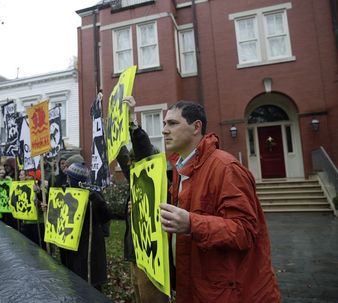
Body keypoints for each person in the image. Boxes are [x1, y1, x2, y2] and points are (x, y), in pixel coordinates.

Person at [159, 101, 280, 302]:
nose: (164, 131)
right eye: (164, 124)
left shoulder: (226, 168)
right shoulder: (180, 170)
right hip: (195, 287)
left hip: (229, 292)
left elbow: (245, 231)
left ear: (196, 127)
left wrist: (191, 223)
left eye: (172, 124)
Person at [116, 96, 168, 303]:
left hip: (150, 252)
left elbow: (143, 151)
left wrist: (131, 122)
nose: (131, 166)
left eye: (134, 161)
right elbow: (120, 155)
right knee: (139, 294)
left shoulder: (152, 176)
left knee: (150, 297)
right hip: (135, 251)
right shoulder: (135, 179)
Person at [60, 162, 112, 291]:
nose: (67, 180)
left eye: (69, 178)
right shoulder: (67, 192)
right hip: (72, 244)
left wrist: (95, 199)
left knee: (89, 285)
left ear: (76, 181)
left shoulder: (93, 194)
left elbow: (105, 216)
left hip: (88, 245)